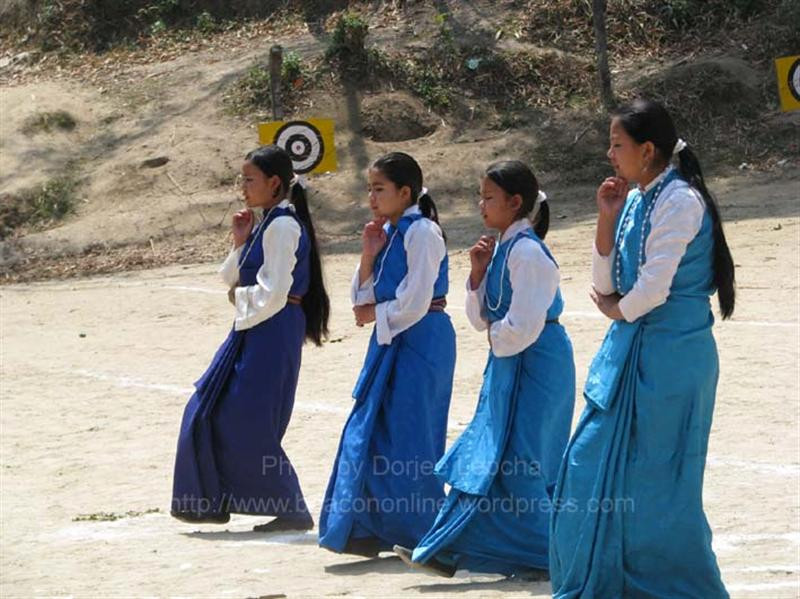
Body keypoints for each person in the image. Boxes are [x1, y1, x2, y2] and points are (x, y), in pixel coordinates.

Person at [550, 98, 735, 598]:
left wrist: (617, 310)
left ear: (647, 149)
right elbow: (603, 280)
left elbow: (651, 289)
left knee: (659, 482)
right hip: (633, 350)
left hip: (672, 360)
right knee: (588, 464)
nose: (610, 155)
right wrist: (606, 218)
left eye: (617, 144)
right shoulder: (634, 199)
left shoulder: (680, 200)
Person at [394, 160, 575, 578]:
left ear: (515, 203)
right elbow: (483, 320)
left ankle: (557, 555)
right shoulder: (502, 249)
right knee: (487, 455)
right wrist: (477, 275)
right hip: (511, 362)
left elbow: (523, 327)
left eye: (489, 197)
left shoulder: (528, 253)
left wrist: (495, 333)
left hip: (537, 365)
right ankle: (447, 549)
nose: (481, 205)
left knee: (520, 462)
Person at [171, 145, 329, 533]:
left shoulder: (283, 225)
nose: (242, 187)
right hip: (256, 326)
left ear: (274, 183)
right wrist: (240, 240)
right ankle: (214, 499)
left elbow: (273, 292)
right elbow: (232, 276)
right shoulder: (267, 222)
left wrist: (239, 298)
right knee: (211, 407)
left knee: (248, 418)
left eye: (249, 179)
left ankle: (288, 506)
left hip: (271, 328)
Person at [319, 152, 456, 557]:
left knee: (411, 435)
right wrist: (367, 253)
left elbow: (415, 301)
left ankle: (424, 532)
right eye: (369, 190)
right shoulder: (389, 233)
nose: (372, 198)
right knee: (375, 430)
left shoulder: (423, 233)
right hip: (390, 337)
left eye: (379, 189)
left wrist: (374, 313)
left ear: (405, 192)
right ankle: (368, 528)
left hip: (422, 339)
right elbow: (364, 296)